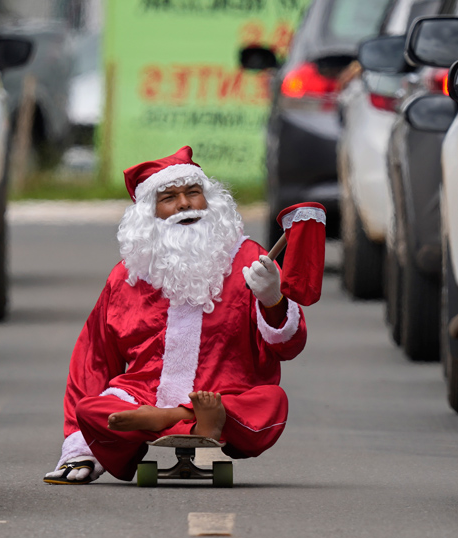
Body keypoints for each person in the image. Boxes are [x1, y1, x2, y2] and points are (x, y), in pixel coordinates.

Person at [43, 146, 307, 484]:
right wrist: (79, 450)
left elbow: (288, 347)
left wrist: (273, 299)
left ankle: (170, 417)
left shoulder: (250, 259)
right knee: (91, 410)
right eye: (169, 197)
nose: (184, 204)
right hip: (143, 397)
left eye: (193, 193)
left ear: (209, 200)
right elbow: (93, 360)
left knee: (271, 400)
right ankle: (190, 419)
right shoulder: (127, 277)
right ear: (149, 214)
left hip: (227, 395)